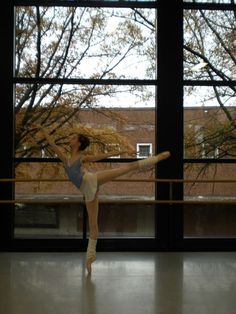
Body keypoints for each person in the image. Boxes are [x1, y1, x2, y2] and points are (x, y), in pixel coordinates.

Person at [32, 125, 170, 274]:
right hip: (87, 191)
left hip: (91, 181)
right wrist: (42, 129)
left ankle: (157, 158)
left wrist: (123, 151)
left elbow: (103, 156)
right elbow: (52, 144)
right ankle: (90, 258)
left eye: (73, 138)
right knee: (93, 224)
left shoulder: (82, 158)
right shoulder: (66, 159)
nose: (70, 139)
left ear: (78, 143)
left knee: (126, 168)